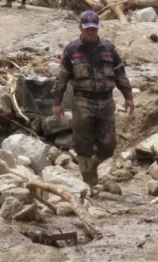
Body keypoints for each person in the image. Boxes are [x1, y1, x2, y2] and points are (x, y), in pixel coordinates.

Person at [51, 10, 134, 193]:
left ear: (98, 27)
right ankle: (88, 180)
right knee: (83, 143)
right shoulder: (72, 50)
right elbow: (61, 78)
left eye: (94, 28)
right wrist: (57, 103)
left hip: (106, 101)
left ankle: (93, 165)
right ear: (80, 27)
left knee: (109, 145)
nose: (91, 32)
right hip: (82, 101)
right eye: (87, 28)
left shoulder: (108, 48)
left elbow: (120, 73)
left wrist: (128, 96)